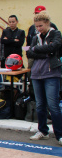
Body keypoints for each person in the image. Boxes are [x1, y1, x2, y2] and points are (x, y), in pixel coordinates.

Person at [26, 14, 62, 146]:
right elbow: (29, 52)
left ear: (47, 23)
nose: (39, 29)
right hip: (36, 74)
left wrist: (37, 50)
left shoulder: (56, 34)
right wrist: (44, 51)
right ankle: (43, 131)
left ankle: (59, 134)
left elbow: (55, 47)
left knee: (53, 105)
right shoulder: (35, 37)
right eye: (36, 26)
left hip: (51, 73)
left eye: (41, 26)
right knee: (40, 105)